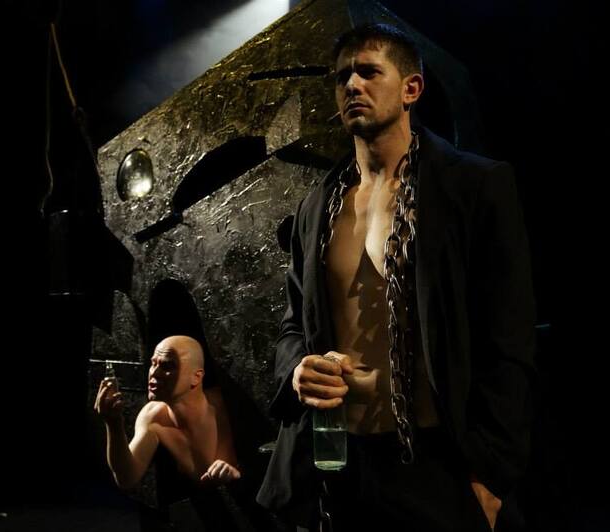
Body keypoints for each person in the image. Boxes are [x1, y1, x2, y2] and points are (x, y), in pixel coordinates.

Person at [257, 23, 535, 532]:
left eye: (368, 72)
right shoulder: (316, 208)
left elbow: (509, 338)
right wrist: (297, 369)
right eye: (342, 77)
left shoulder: (475, 186)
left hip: (437, 462)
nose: (352, 85)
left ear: (411, 88)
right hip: (341, 461)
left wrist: (492, 472)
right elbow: (294, 325)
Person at [94, 335, 240, 489]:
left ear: (196, 377)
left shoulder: (224, 405)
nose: (154, 373)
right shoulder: (154, 416)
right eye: (153, 364)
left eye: (167, 366)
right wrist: (114, 424)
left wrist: (236, 474)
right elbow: (126, 478)